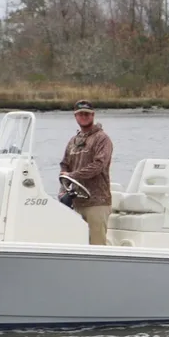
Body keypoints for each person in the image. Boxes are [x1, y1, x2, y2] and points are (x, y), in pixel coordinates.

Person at [59, 99, 114, 245]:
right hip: (76, 202)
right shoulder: (73, 141)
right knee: (75, 243)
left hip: (97, 202)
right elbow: (65, 165)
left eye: (87, 114)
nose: (84, 116)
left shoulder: (102, 139)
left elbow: (99, 165)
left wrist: (73, 175)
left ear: (93, 115)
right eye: (80, 114)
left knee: (97, 244)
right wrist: (63, 190)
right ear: (75, 116)